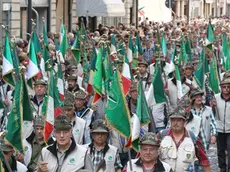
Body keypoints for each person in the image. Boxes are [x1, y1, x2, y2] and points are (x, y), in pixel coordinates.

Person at [159, 106, 211, 172]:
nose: (175, 123)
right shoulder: (161, 136)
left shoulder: (193, 138)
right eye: (173, 120)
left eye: (179, 120)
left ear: (184, 122)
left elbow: (204, 161)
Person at [212, 78, 230, 172]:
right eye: (224, 87)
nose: (226, 89)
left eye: (228, 87)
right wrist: (213, 106)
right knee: (220, 150)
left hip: (229, 129)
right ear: (221, 88)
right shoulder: (216, 97)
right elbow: (212, 114)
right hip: (219, 128)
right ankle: (222, 167)